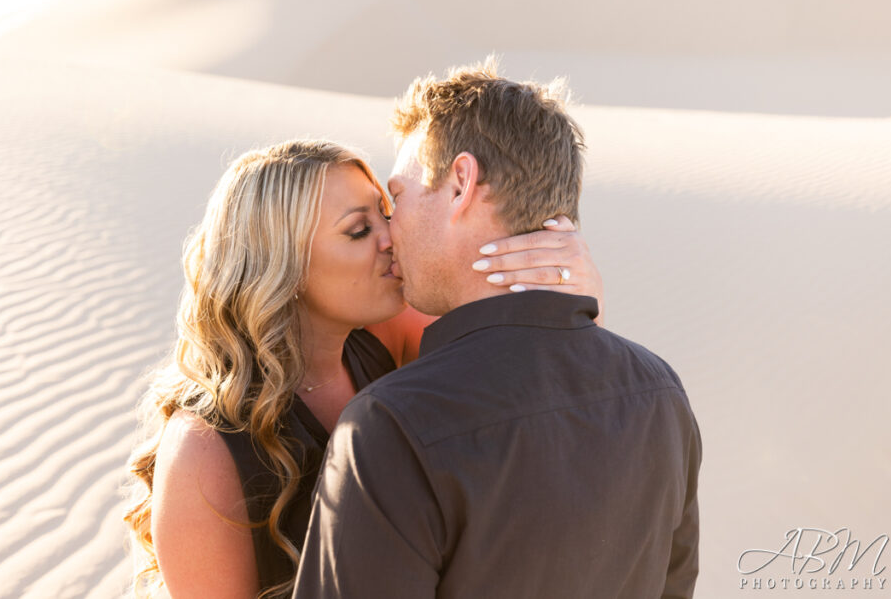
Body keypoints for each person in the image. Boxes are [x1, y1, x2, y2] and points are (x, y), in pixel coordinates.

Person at [291, 60, 702, 599]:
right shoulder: (659, 393)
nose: (390, 229)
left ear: (461, 183)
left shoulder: (391, 424)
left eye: (398, 198)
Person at [123, 140, 605, 598]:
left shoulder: (389, 337)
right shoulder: (205, 450)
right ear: (282, 267)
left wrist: (581, 294)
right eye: (358, 230)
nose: (392, 239)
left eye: (387, 214)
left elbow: (539, 384)